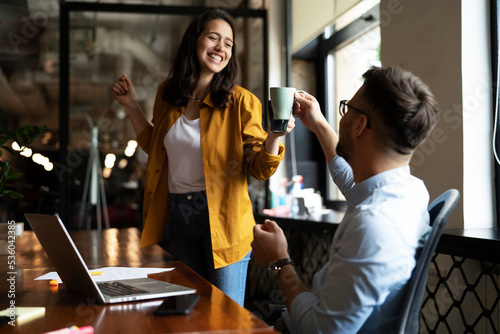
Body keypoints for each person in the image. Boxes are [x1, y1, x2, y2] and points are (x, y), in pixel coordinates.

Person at [112, 9, 294, 306]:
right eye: (213, 38)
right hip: (180, 217)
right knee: (188, 311)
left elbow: (259, 169)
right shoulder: (167, 94)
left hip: (225, 219)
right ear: (194, 41)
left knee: (225, 314)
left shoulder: (242, 102)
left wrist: (274, 136)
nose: (221, 48)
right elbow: (157, 149)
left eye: (228, 43)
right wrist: (132, 106)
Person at [251, 66, 439, 333]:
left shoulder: (372, 225)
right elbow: (352, 183)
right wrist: (318, 125)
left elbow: (321, 330)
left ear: (360, 124)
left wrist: (279, 263)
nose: (344, 115)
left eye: (347, 108)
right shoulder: (410, 191)